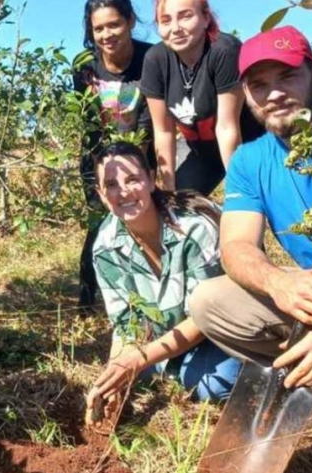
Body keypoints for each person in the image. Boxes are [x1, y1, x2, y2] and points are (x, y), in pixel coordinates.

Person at [189, 26, 312, 398]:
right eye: (259, 85)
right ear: (246, 94)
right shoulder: (250, 160)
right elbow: (235, 246)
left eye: (287, 76)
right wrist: (278, 283)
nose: (275, 94)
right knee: (208, 302)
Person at [85, 141, 240, 417]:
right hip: (163, 341)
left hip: (217, 329)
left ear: (151, 180)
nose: (123, 191)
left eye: (132, 179)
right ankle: (170, 369)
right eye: (111, 185)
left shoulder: (193, 228)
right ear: (101, 194)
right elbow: (127, 325)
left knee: (213, 384)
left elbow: (208, 316)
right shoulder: (106, 247)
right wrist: (115, 376)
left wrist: (140, 359)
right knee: (132, 377)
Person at [73, 0, 155, 313]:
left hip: (142, 155)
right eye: (99, 28)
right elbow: (87, 119)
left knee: (140, 219)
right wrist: (100, 166)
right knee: (100, 223)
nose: (107, 34)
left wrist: (140, 167)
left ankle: (140, 293)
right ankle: (86, 298)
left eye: (114, 24)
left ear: (131, 21)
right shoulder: (84, 65)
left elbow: (150, 121)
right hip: (97, 157)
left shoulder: (152, 58)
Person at [140, 0, 264, 195]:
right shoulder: (155, 60)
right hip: (203, 154)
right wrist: (170, 193)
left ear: (206, 18)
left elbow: (227, 128)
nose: (176, 28)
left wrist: (237, 192)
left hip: (250, 145)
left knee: (255, 200)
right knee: (179, 206)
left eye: (185, 16)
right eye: (165, 21)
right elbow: (163, 132)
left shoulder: (224, 51)